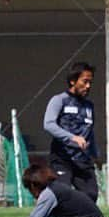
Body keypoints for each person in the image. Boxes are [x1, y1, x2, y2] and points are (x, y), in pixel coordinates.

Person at [43, 61, 100, 200]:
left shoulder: (89, 106)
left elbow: (89, 133)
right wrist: (72, 137)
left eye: (90, 82)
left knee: (91, 196)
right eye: (85, 81)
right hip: (62, 159)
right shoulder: (59, 100)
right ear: (73, 81)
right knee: (62, 194)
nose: (88, 86)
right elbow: (48, 124)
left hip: (83, 160)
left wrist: (96, 154)